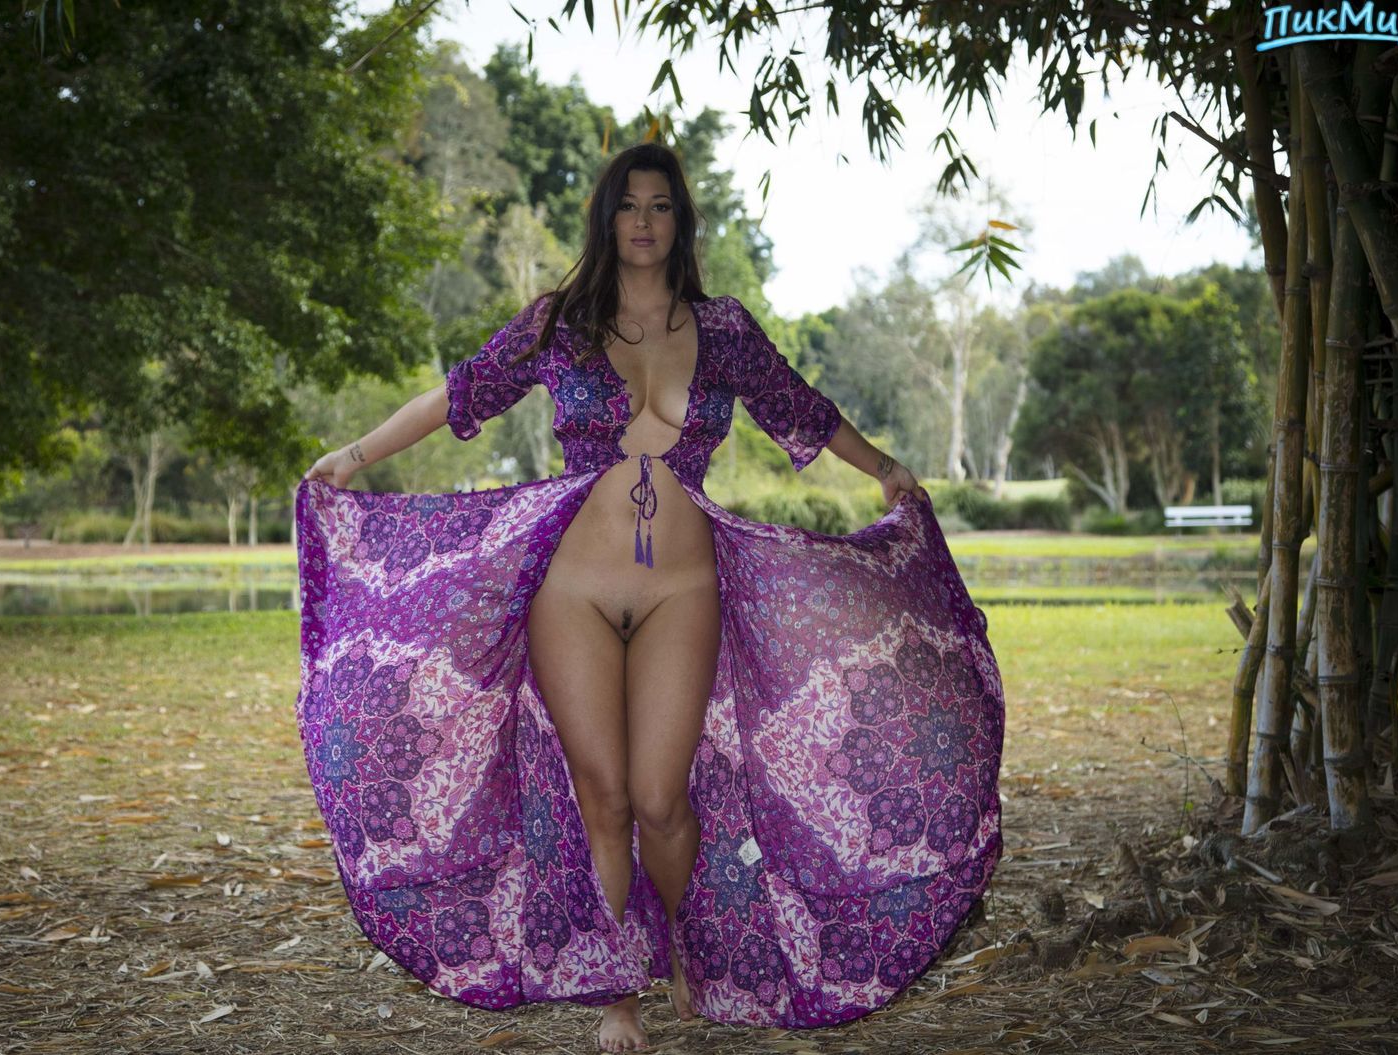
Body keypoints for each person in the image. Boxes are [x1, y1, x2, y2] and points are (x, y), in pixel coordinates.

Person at [298, 142, 1003, 1052]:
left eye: (660, 205)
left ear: (680, 221)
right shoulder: (559, 323)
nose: (643, 220)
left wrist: (886, 468)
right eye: (628, 204)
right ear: (607, 218)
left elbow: (805, 408)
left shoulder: (725, 328)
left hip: (683, 586)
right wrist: (353, 456)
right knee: (604, 794)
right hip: (572, 591)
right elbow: (458, 395)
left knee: (662, 797)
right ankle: (618, 989)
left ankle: (679, 946)